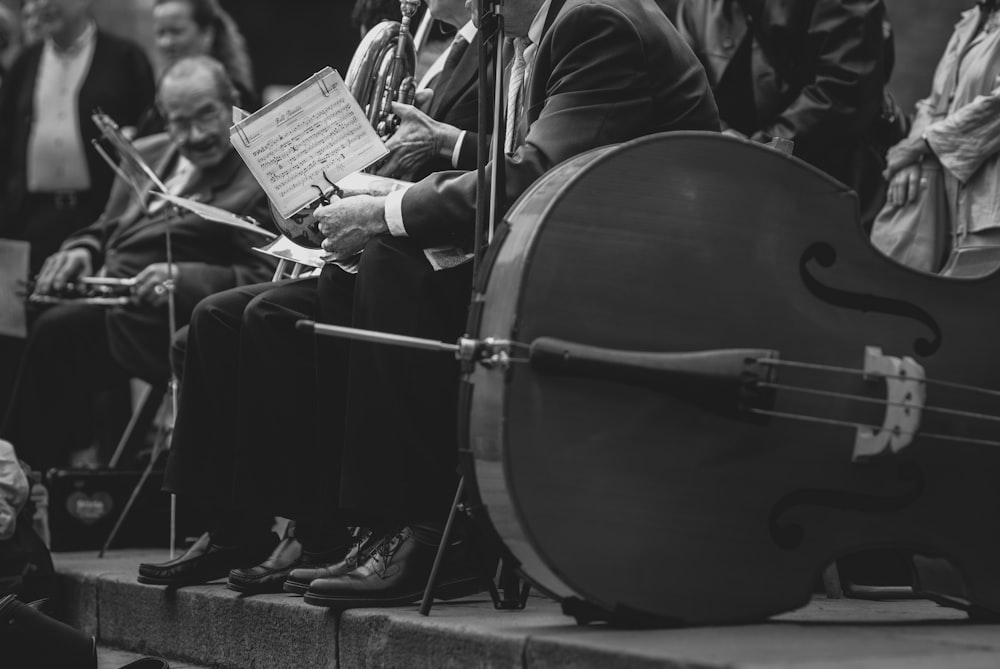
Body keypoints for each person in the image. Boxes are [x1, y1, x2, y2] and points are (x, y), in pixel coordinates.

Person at [302, 0, 719, 609]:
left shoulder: (592, 21)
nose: (469, 5)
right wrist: (441, 154)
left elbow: (540, 175)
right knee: (356, 270)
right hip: (588, 240)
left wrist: (385, 211)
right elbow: (541, 159)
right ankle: (381, 526)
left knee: (396, 260)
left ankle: (435, 534)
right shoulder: (546, 30)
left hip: (645, 270)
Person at [138, 0, 495, 595]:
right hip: (381, 241)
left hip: (430, 258)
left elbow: (494, 165)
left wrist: (425, 159)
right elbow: (385, 158)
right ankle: (233, 526)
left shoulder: (496, 52)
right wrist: (313, 198)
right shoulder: (434, 51)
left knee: (271, 315)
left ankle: (333, 528)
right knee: (215, 319)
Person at [1, 56, 276, 473]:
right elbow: (109, 226)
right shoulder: (149, 150)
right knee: (26, 322)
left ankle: (23, 481)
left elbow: (265, 275)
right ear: (163, 118)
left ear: (234, 103)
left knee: (56, 335)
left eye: (207, 116)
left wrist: (181, 277)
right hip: (116, 306)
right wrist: (84, 249)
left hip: (169, 320)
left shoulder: (260, 171)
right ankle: (39, 480)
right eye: (179, 122)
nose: (195, 135)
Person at [675, 0, 890, 228]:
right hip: (727, 184)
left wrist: (755, 150)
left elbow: (845, 87)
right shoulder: (695, 5)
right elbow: (682, 85)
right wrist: (722, 134)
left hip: (826, 182)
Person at [0, 0, 155, 274]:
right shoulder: (25, 62)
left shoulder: (125, 58)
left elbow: (153, 141)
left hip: (99, 219)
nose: (43, 5)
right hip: (33, 219)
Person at [871, 1, 1000, 272]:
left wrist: (923, 144)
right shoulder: (972, 22)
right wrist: (913, 158)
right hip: (947, 208)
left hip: (990, 215)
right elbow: (934, 103)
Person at [135, 0, 257, 137]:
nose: (166, 43)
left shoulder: (236, 96)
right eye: (161, 33)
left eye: (176, 31)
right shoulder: (159, 103)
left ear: (207, 34)